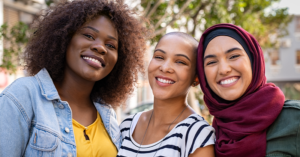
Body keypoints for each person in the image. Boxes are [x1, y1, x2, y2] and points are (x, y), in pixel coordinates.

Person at [0, 0, 150, 156]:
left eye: (111, 45)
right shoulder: (23, 96)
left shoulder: (107, 114)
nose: (100, 47)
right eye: (89, 35)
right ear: (65, 38)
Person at [197, 23, 300, 157]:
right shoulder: (207, 136)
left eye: (233, 56)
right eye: (211, 62)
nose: (224, 69)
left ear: (253, 60)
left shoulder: (294, 119)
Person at [117, 32, 215, 157]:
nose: (165, 67)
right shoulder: (128, 125)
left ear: (196, 78)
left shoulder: (198, 134)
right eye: (159, 57)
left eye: (180, 62)